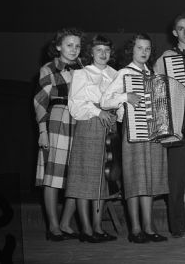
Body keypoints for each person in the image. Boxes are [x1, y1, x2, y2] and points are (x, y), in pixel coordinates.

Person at [100, 33, 169, 243]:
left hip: (154, 133)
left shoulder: (154, 75)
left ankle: (148, 227)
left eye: (147, 49)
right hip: (133, 130)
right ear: (132, 50)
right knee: (133, 179)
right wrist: (125, 97)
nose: (144, 52)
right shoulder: (124, 73)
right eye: (140, 48)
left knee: (148, 180)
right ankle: (135, 229)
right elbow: (105, 101)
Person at [154, 13, 185, 239]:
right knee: (176, 179)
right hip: (179, 125)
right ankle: (178, 227)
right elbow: (155, 88)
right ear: (175, 33)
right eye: (180, 29)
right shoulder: (167, 57)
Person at [66, 34, 119, 243]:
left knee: (103, 179)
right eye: (99, 50)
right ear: (91, 52)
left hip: (110, 128)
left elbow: (119, 101)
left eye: (106, 50)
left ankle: (98, 227)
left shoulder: (116, 74)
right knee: (84, 179)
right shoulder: (82, 74)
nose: (103, 54)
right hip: (89, 125)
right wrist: (99, 112)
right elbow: (75, 105)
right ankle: (86, 230)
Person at [34, 28, 83, 241]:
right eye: (69, 45)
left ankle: (66, 223)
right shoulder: (49, 68)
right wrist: (42, 131)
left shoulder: (84, 68)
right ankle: (53, 226)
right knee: (52, 175)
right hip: (57, 120)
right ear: (58, 46)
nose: (74, 49)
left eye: (77, 46)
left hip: (80, 122)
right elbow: (40, 101)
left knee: (77, 177)